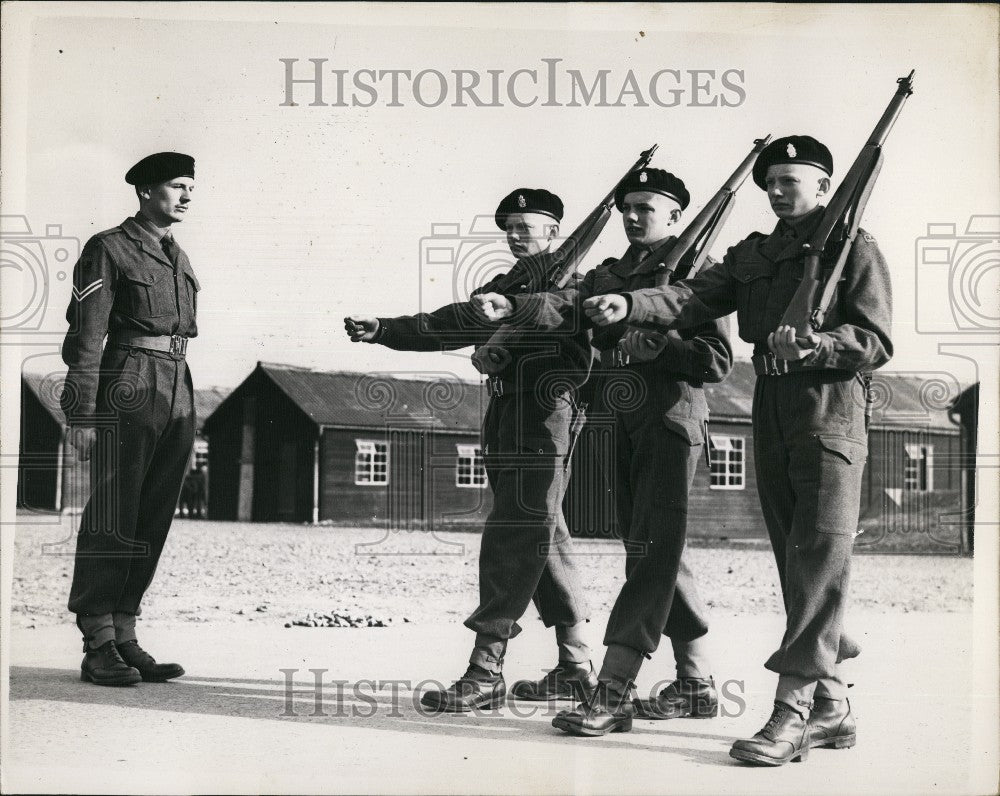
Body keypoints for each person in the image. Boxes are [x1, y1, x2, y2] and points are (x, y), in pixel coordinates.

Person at [568, 136, 891, 764]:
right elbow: (691, 297)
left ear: (824, 187)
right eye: (771, 182)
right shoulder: (754, 254)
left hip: (829, 408)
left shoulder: (855, 248)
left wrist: (821, 345)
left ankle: (792, 712)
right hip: (771, 404)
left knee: (819, 558)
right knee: (797, 562)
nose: (777, 191)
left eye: (791, 180)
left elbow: (875, 339)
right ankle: (832, 706)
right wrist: (630, 302)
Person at [471, 168, 733, 736]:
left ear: (675, 216)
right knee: (652, 545)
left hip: (670, 417)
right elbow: (564, 306)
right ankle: (694, 681)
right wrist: (510, 312)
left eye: (647, 208)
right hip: (620, 419)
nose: (633, 217)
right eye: (627, 207)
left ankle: (614, 688)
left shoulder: (698, 272)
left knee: (652, 549)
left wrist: (659, 346)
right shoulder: (609, 274)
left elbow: (716, 361)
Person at [344, 188, 597, 712]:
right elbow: (449, 322)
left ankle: (486, 668)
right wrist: (385, 330)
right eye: (510, 228)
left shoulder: (580, 286)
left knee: (515, 530)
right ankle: (575, 665)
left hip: (545, 411)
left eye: (527, 226)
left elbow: (572, 333)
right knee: (543, 530)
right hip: (505, 409)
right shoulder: (509, 285)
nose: (516, 235)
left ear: (556, 231)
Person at [62, 152, 200, 685]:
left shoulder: (177, 255)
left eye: (190, 187)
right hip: (129, 380)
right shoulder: (109, 248)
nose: (186, 196)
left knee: (154, 513)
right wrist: (81, 414)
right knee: (114, 510)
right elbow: (86, 335)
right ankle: (97, 640)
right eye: (176, 185)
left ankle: (125, 632)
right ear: (145, 190)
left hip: (177, 383)